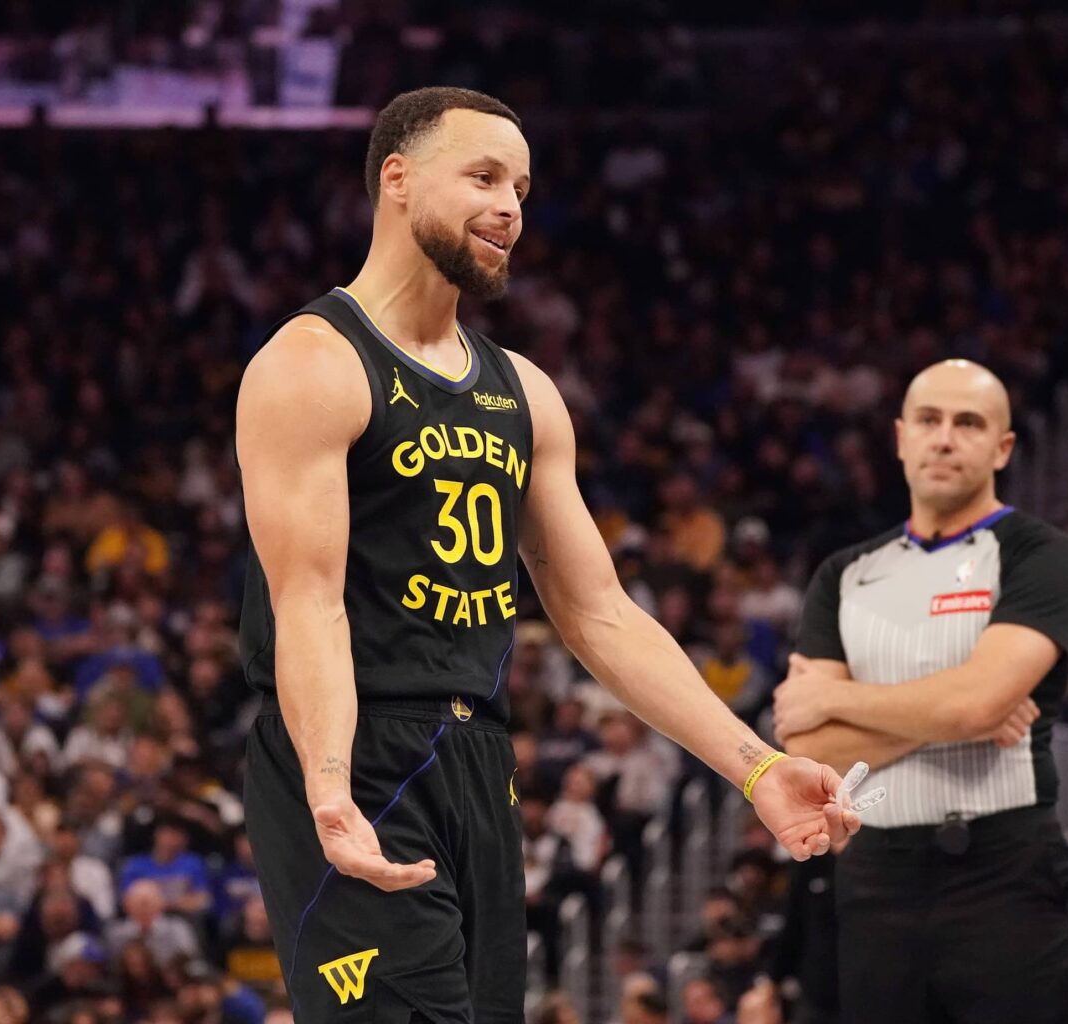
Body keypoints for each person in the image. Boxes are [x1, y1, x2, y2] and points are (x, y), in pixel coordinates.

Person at [236, 85, 858, 1024]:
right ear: (396, 180)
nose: (511, 208)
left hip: (481, 757)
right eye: (483, 177)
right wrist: (328, 786)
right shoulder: (313, 363)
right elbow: (308, 601)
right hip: (356, 750)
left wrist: (758, 768)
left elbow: (599, 613)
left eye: (521, 188)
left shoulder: (522, 389)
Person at [773, 359, 1068, 1023]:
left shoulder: (1044, 554)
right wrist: (960, 711)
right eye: (929, 420)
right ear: (900, 437)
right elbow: (809, 748)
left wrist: (839, 698)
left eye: (968, 423)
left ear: (1003, 447)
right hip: (875, 872)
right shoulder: (844, 574)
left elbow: (973, 703)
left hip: (1007, 871)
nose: (945, 438)